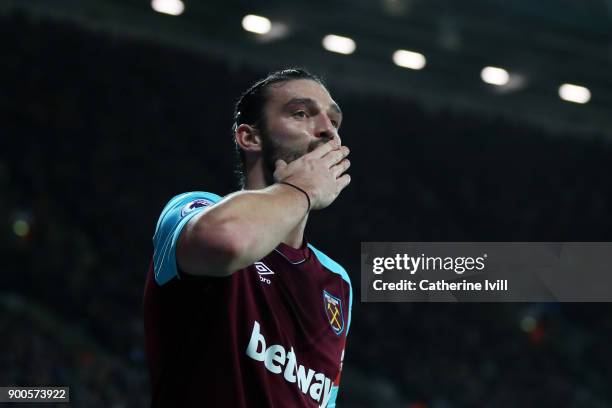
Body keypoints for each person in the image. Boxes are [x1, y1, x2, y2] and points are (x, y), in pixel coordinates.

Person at [143, 68, 353, 407]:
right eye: (301, 113)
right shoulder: (194, 211)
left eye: (334, 122)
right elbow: (230, 242)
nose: (328, 130)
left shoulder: (337, 281)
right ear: (249, 138)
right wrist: (301, 189)